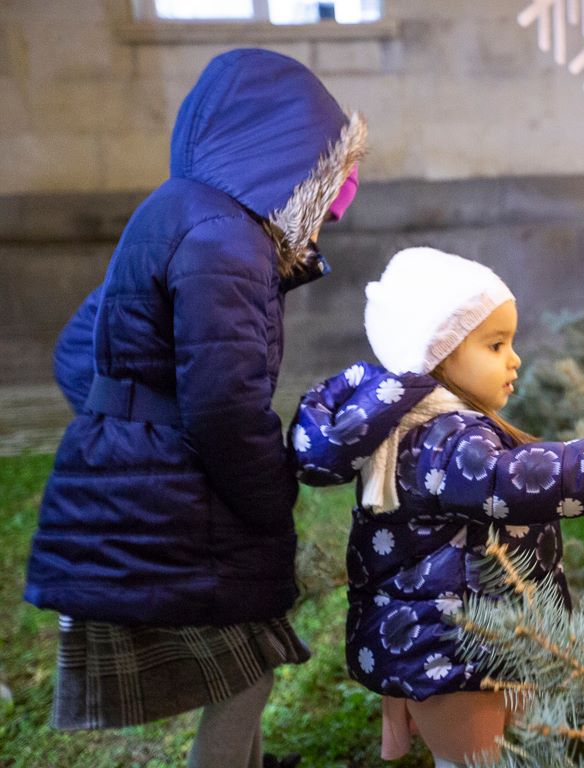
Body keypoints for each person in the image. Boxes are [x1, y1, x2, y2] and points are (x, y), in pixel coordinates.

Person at [23, 48, 366, 768]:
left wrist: (127, 423)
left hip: (154, 490)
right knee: (245, 670)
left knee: (247, 652)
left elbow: (80, 350)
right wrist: (270, 494)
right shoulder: (225, 240)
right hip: (178, 506)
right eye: (325, 194)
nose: (326, 218)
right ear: (283, 161)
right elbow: (225, 407)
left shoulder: (179, 211)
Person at [291, 246, 584, 767]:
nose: (513, 358)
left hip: (473, 638)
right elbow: (509, 481)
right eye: (496, 344)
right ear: (439, 352)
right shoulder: (443, 435)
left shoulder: (438, 427)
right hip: (456, 648)